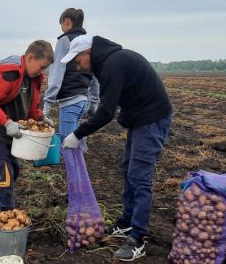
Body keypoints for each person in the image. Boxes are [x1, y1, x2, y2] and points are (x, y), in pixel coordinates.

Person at [60, 35, 172, 261]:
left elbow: (106, 112)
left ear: (88, 52)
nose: (76, 65)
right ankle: (127, 224)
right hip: (140, 119)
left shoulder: (112, 64)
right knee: (127, 169)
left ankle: (138, 238)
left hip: (152, 119)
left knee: (140, 177)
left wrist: (78, 133)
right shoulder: (109, 62)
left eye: (77, 59)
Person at [0, 40, 54, 222]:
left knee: (13, 171)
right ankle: (10, 218)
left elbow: (30, 108)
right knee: (3, 173)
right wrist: (7, 123)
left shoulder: (32, 79)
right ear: (30, 58)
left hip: (8, 130)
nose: (42, 71)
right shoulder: (10, 74)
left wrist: (40, 117)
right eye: (41, 66)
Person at [42, 8, 100, 144]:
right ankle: (79, 166)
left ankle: (74, 166)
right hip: (83, 101)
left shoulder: (64, 40)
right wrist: (93, 102)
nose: (62, 29)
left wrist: (47, 105)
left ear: (67, 22)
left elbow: (56, 73)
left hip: (69, 100)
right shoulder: (88, 42)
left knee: (67, 144)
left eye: (61, 25)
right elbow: (95, 75)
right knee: (77, 142)